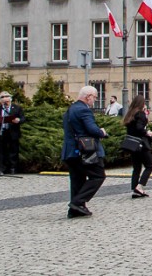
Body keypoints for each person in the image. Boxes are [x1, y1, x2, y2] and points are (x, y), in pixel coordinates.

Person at [61, 85, 109, 218]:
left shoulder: (70, 109)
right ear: (88, 97)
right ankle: (77, 202)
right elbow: (92, 129)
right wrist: (102, 132)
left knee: (77, 180)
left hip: (70, 151)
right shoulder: (84, 110)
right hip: (84, 150)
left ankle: (75, 210)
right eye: (95, 97)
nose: (95, 100)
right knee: (98, 176)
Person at [123, 95, 152, 198]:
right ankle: (139, 186)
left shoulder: (130, 113)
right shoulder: (140, 114)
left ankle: (135, 189)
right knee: (149, 166)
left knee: (136, 168)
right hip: (141, 143)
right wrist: (147, 133)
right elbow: (139, 128)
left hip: (132, 144)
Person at [0, 91, 25, 175]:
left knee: (13, 151)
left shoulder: (17, 108)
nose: (5, 100)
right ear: (0, 101)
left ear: (10, 99)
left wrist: (18, 120)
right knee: (1, 151)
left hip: (12, 131)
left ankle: (13, 168)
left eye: (7, 98)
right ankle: (1, 168)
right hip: (1, 131)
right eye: (3, 98)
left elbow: (23, 118)